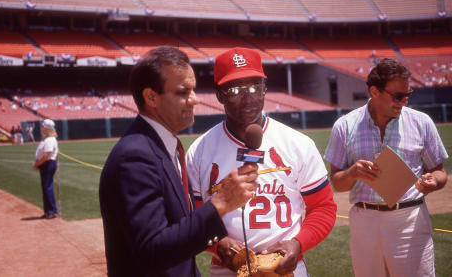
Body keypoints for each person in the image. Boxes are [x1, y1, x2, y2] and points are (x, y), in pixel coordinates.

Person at [99, 46, 259, 277]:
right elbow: (152, 251)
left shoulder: (164, 146)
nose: (194, 100)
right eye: (184, 92)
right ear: (151, 97)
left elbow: (177, 233)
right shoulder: (134, 157)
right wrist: (221, 202)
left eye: (193, 90)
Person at [186, 47, 337, 277]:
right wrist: (217, 242)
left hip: (286, 269)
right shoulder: (200, 151)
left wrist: (297, 244)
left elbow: (323, 207)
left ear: (265, 89)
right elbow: (191, 215)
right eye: (235, 89)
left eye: (255, 86)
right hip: (227, 271)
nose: (248, 97)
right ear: (219, 95)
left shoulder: (298, 143)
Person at [324, 58, 448, 277]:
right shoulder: (345, 126)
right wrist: (353, 172)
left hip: (410, 218)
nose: (404, 102)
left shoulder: (421, 122)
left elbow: (440, 171)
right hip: (365, 221)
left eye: (408, 95)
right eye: (398, 96)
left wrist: (434, 181)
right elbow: (337, 183)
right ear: (374, 91)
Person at [32, 119, 59, 219]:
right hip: (46, 164)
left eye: (42, 126)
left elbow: (46, 155)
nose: (41, 128)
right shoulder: (47, 139)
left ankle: (51, 211)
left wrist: (37, 164)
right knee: (46, 187)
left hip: (47, 164)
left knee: (47, 187)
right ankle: (48, 211)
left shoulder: (49, 140)